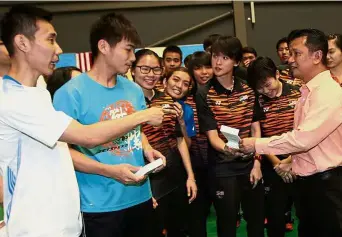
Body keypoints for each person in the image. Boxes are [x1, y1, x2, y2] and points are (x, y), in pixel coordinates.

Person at [0, 5, 164, 237]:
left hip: (65, 219)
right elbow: (87, 137)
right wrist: (143, 115)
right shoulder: (15, 100)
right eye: (50, 40)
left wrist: (145, 146)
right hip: (38, 226)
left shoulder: (37, 91)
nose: (58, 49)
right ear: (23, 43)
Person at [53, 13, 167, 237]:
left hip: (140, 196)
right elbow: (63, 151)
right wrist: (109, 171)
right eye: (128, 49)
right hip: (100, 205)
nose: (133, 57)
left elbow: (136, 132)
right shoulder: (70, 93)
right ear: (104, 46)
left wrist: (147, 149)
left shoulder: (133, 89)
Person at [240, 28, 342, 237]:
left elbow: (303, 139)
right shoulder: (307, 91)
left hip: (327, 187)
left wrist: (255, 144)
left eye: (296, 53)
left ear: (316, 56)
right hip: (310, 186)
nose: (290, 59)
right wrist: (289, 162)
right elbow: (313, 143)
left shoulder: (328, 92)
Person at [195, 35, 265, 237]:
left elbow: (256, 129)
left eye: (225, 57)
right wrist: (229, 148)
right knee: (226, 223)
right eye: (215, 56)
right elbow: (213, 137)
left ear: (236, 61)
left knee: (256, 220)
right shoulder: (204, 93)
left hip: (251, 163)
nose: (217, 62)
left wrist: (257, 163)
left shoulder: (249, 88)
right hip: (223, 168)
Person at [131, 52, 197, 236]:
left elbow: (180, 140)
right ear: (132, 69)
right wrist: (145, 190)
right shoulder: (128, 103)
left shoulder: (167, 100)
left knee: (179, 228)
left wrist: (190, 176)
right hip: (148, 179)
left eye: (156, 70)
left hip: (175, 175)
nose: (151, 74)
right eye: (145, 69)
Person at [247, 56, 301, 237]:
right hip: (272, 163)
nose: (265, 91)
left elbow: (305, 131)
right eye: (260, 88)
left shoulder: (298, 92)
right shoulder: (256, 100)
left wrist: (291, 160)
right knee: (274, 217)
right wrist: (277, 164)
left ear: (277, 74)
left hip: (300, 158)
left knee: (308, 215)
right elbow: (259, 135)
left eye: (268, 85)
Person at [186, 51, 214, 237]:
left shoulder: (218, 95)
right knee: (197, 215)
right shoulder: (186, 100)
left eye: (207, 66)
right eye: (198, 68)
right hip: (194, 165)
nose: (204, 72)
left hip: (219, 163)